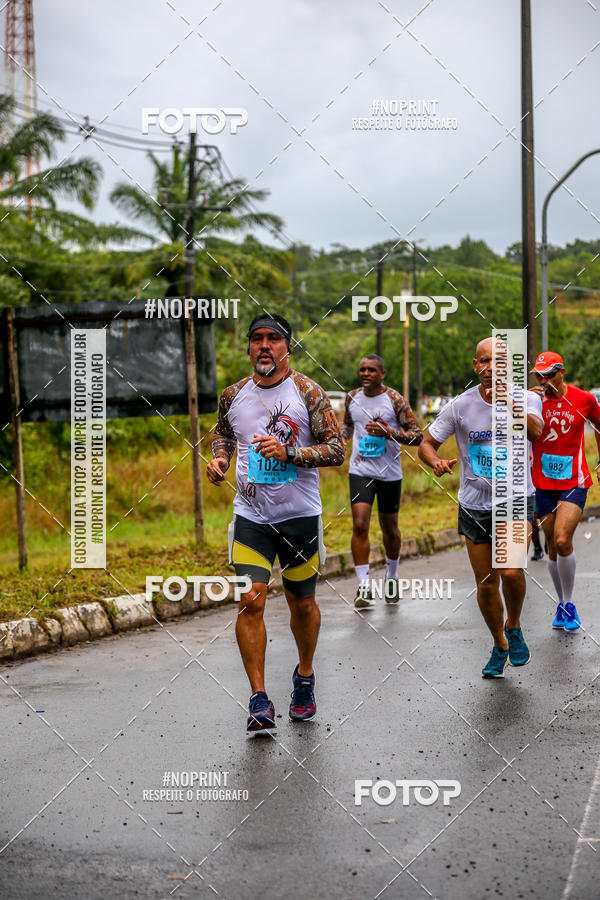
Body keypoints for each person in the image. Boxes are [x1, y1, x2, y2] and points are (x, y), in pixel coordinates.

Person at [208, 313, 345, 736]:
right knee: (251, 599)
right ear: (248, 347)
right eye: (257, 339)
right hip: (251, 517)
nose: (264, 346)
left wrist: (290, 455)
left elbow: (337, 449)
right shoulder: (233, 394)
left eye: (273, 339)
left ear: (288, 347)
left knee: (302, 603)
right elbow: (223, 433)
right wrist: (221, 460)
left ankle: (304, 677)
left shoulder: (308, 392)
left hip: (299, 516)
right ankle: (258, 698)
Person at [418, 338, 543, 678]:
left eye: (499, 363)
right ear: (476, 366)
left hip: (516, 497)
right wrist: (436, 462)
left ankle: (513, 625)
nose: (491, 369)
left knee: (512, 571)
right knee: (486, 582)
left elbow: (535, 432)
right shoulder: (460, 406)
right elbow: (426, 443)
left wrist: (507, 402)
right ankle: (500, 643)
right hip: (474, 503)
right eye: (485, 362)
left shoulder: (527, 398)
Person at [341, 354, 422, 609]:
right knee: (360, 524)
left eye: (372, 370)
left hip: (389, 473)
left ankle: (392, 576)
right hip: (360, 470)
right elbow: (348, 426)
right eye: (362, 369)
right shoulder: (352, 397)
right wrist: (338, 437)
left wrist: (389, 433)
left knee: (390, 530)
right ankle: (364, 585)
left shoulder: (395, 399)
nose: (365, 373)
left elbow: (417, 436)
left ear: (382, 374)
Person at [530, 351, 600, 631]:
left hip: (574, 480)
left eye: (548, 374)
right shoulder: (533, 400)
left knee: (562, 540)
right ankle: (560, 603)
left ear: (562, 372)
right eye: (539, 375)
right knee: (551, 547)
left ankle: (569, 604)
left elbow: (598, 425)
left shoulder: (584, 399)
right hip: (542, 483)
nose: (543, 380)